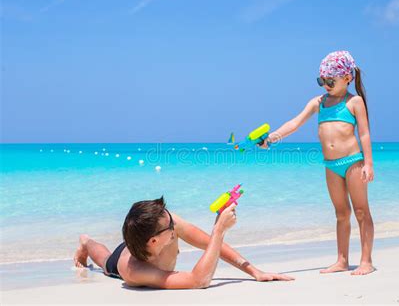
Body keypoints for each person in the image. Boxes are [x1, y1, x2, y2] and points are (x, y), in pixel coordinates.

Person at [260, 50, 375, 275]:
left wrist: (368, 163)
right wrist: (272, 138)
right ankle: (342, 260)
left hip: (353, 163)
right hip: (331, 166)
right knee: (341, 213)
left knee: (361, 211)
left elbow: (364, 134)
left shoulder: (354, 102)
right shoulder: (318, 103)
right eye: (321, 80)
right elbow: (295, 123)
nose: (325, 85)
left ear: (347, 78)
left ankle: (366, 261)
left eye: (330, 80)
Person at [73, 197, 294, 288]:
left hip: (138, 239)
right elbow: (199, 281)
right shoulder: (135, 272)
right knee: (103, 260)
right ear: (154, 240)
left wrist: (254, 271)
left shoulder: (166, 223)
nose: (174, 222)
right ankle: (86, 241)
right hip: (122, 260)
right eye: (170, 224)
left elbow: (209, 244)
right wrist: (219, 230)